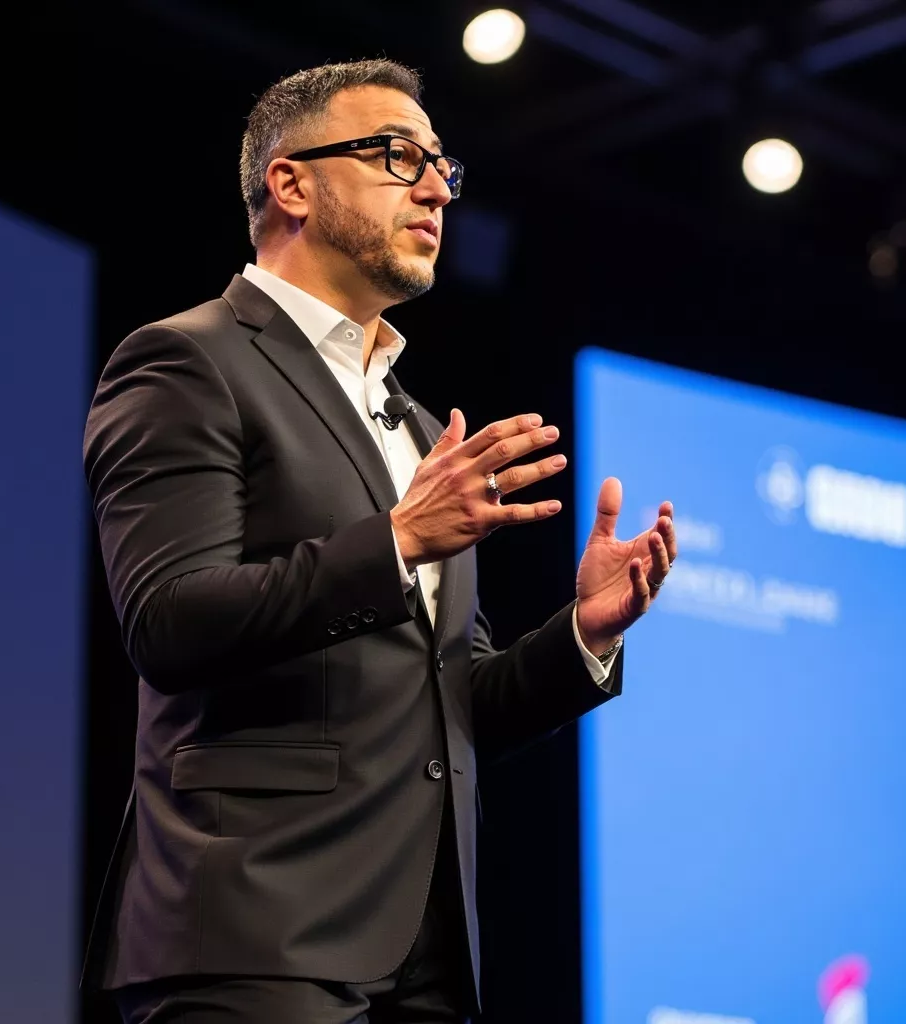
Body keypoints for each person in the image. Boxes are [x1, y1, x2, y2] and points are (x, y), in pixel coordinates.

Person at [82, 58, 676, 1024]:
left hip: (427, 954)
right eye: (400, 156)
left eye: (443, 165)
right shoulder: (185, 361)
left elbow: (454, 702)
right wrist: (396, 540)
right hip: (255, 938)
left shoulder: (404, 418)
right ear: (291, 183)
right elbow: (168, 622)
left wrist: (585, 636)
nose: (438, 187)